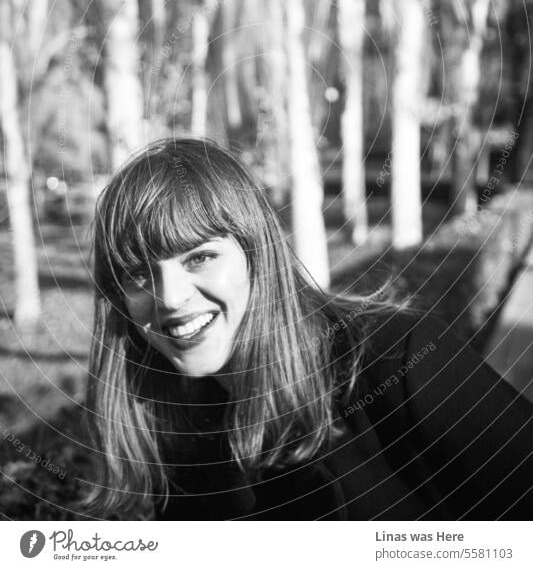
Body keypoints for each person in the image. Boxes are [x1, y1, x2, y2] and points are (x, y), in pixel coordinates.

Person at [81, 137, 533, 521]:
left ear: (258, 253)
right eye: (138, 274)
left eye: (199, 257)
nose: (172, 298)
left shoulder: (398, 359)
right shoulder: (169, 429)